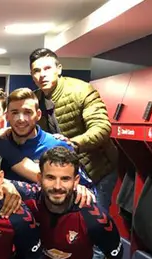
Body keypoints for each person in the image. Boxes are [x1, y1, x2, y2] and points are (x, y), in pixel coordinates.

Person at [29, 48, 116, 212]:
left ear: (59, 69)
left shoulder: (82, 90)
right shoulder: (34, 99)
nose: (42, 74)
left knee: (95, 220)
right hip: (61, 174)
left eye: (47, 68)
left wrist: (74, 143)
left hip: (96, 170)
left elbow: (102, 127)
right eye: (37, 70)